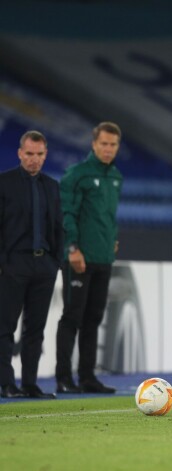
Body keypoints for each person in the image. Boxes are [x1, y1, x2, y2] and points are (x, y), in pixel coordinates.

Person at [55, 122, 123, 394]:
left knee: (93, 318)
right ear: (94, 144)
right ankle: (63, 377)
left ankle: (87, 377)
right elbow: (66, 214)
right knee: (72, 316)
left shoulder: (116, 176)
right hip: (79, 257)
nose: (108, 149)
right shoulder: (77, 175)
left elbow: (108, 215)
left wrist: (112, 239)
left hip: (103, 256)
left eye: (113, 145)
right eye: (104, 144)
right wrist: (72, 248)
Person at [0, 130, 63, 399]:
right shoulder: (4, 183)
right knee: (5, 327)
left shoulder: (52, 185)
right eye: (29, 154)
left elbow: (58, 227)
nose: (34, 159)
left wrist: (55, 261)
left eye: (39, 154)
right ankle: (6, 383)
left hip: (43, 266)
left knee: (35, 329)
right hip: (13, 264)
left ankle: (29, 383)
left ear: (45, 154)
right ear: (19, 153)